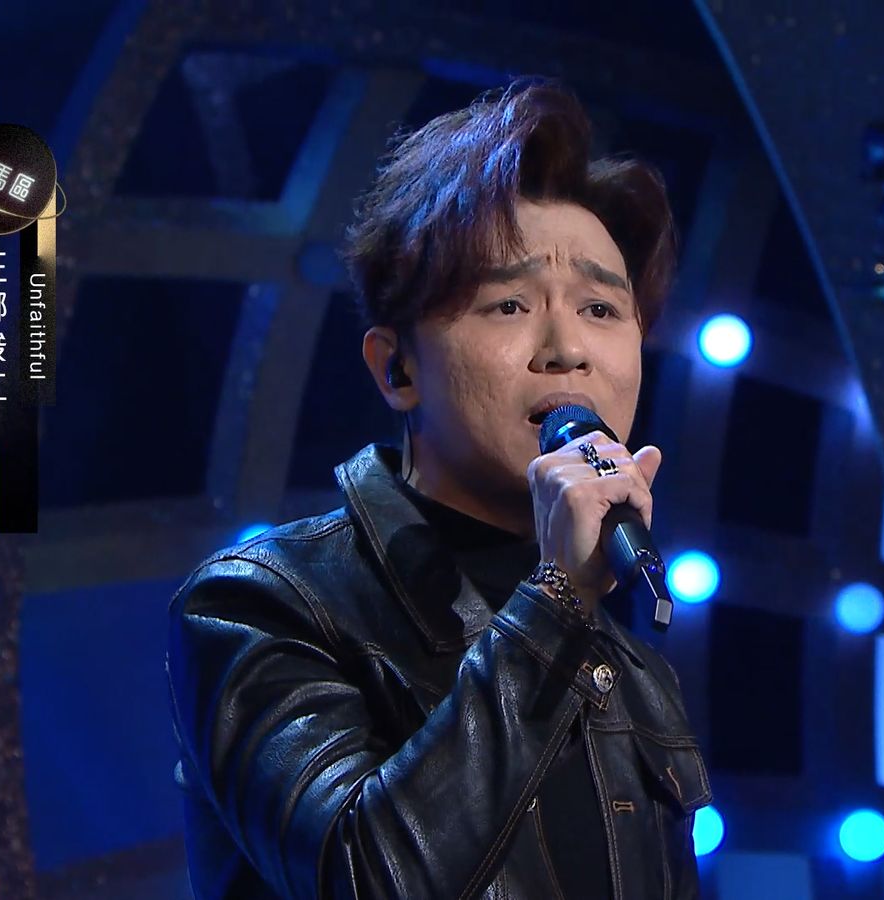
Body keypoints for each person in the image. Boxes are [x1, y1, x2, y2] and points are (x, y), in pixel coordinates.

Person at [165, 77, 710, 899]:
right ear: (397, 368)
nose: (566, 349)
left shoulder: (630, 666)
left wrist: (565, 607)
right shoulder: (263, 601)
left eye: (601, 309)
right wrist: (558, 600)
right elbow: (364, 877)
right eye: (509, 304)